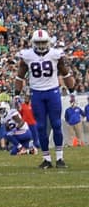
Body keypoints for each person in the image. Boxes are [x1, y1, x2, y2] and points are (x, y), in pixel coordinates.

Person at [16, 29, 74, 169]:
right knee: (41, 127)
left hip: (52, 92)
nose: (41, 45)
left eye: (43, 42)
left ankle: (60, 158)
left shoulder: (55, 54)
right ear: (33, 43)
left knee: (56, 124)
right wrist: (17, 94)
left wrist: (72, 91)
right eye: (38, 43)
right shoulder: (27, 55)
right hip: (37, 94)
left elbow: (65, 73)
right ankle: (46, 159)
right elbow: (20, 76)